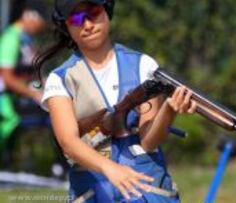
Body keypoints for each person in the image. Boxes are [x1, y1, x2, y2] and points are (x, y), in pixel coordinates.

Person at [34, 0, 196, 202]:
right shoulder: (61, 78)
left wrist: (169, 109)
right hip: (94, 192)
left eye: (93, 12)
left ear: (107, 11)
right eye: (76, 18)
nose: (87, 24)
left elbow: (149, 141)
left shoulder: (143, 64)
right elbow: (68, 142)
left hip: (145, 188)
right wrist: (111, 169)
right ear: (66, 25)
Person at [0, 0, 47, 165]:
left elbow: (33, 75)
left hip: (16, 96)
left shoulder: (26, 41)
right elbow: (7, 78)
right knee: (10, 121)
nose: (39, 30)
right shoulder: (11, 38)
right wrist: (35, 93)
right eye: (39, 24)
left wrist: (46, 85)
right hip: (4, 97)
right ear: (30, 16)